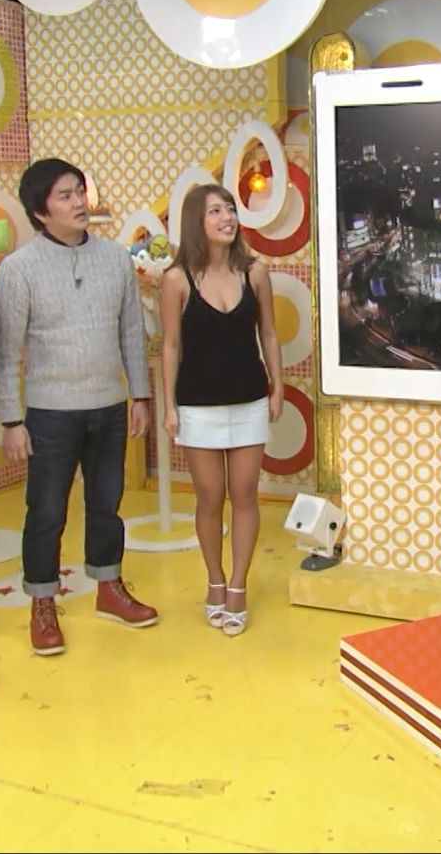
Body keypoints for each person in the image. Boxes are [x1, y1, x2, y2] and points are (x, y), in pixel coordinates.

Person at [0, 158, 157, 658]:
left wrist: (140, 395)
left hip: (109, 405)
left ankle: (109, 587)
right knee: (46, 510)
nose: (78, 203)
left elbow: (132, 331)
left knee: (107, 504)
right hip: (49, 412)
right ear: (40, 211)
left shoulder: (114, 258)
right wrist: (11, 420)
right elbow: (6, 350)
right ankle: (43, 602)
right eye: (64, 196)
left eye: (78, 192)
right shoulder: (19, 268)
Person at [158, 185, 283, 637]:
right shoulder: (176, 279)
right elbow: (170, 345)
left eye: (229, 209)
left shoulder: (255, 272)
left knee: (245, 494)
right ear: (197, 221)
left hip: (249, 399)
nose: (227, 217)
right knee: (210, 497)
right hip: (197, 404)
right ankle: (214, 579)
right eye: (215, 211)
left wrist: (277, 387)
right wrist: (169, 405)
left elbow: (269, 333)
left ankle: (238, 586)